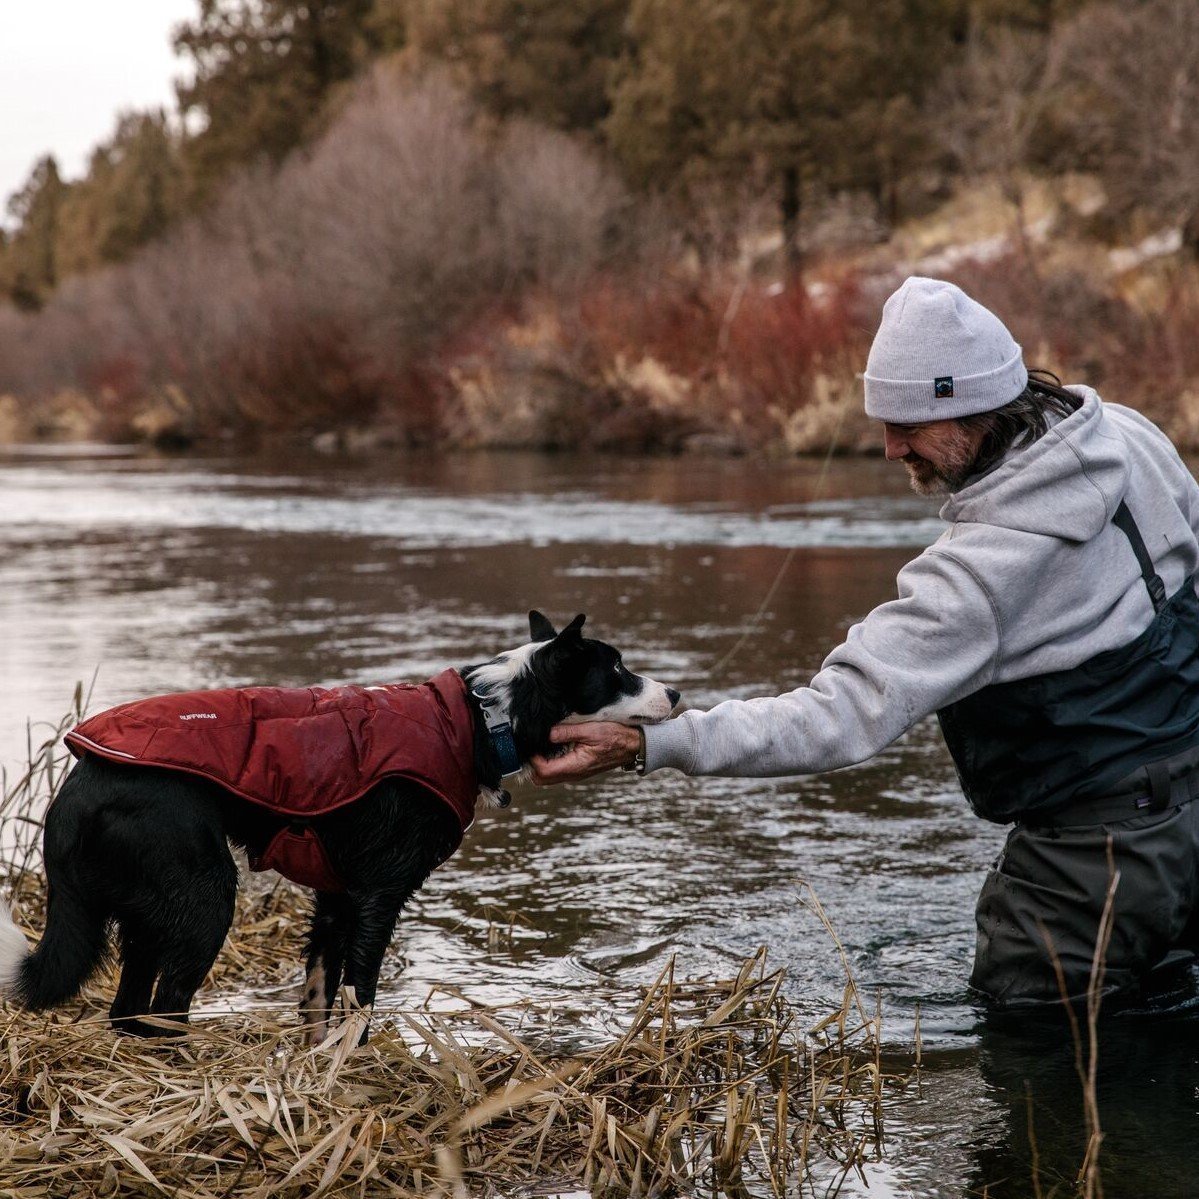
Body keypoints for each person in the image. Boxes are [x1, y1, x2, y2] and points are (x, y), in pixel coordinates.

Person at [532, 275, 1199, 1009]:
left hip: (1087, 871)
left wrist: (651, 744)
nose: (887, 448)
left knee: (1036, 1080)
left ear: (973, 408)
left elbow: (837, 716)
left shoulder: (975, 574)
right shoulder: (1130, 436)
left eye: (907, 427)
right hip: (1187, 828)